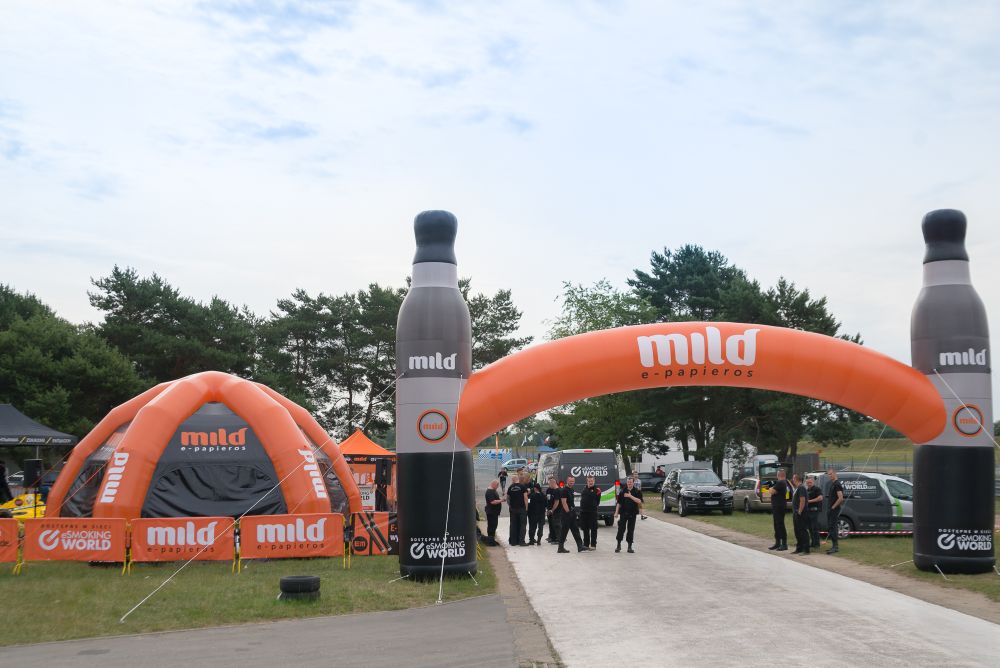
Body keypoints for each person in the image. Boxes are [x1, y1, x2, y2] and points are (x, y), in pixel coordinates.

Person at [615, 476, 643, 553]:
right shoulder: (622, 491)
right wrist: (616, 512)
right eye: (628, 482)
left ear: (633, 483)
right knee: (621, 529)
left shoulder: (637, 491)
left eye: (630, 482)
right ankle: (618, 545)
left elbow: (639, 501)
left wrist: (630, 496)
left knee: (630, 530)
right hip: (623, 513)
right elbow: (619, 503)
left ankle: (629, 547)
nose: (629, 483)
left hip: (632, 513)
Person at [557, 476, 585, 553]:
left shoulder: (571, 489)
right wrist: (568, 512)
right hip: (566, 513)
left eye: (573, 481)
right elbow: (564, 502)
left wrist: (573, 512)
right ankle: (560, 548)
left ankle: (580, 546)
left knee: (575, 530)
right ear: (567, 481)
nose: (572, 483)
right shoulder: (564, 490)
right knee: (564, 531)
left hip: (572, 512)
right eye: (570, 481)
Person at [768, 469, 790, 551]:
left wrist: (771, 489)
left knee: (780, 524)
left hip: (779, 506)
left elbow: (771, 491)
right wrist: (772, 489)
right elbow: (773, 491)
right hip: (777, 506)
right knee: (776, 524)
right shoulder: (783, 482)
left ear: (779, 475)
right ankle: (777, 543)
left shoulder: (781, 482)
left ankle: (784, 544)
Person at [826, 468, 846, 555]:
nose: (829, 476)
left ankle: (835, 547)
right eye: (828, 474)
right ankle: (833, 546)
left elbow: (841, 498)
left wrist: (833, 507)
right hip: (830, 509)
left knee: (833, 527)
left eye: (831, 474)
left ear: (834, 473)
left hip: (834, 509)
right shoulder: (833, 484)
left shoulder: (837, 484)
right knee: (831, 527)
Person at [579, 476, 601, 550]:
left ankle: (593, 545)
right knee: (585, 529)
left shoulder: (597, 490)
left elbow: (597, 501)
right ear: (587, 481)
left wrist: (592, 506)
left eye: (592, 481)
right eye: (589, 481)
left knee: (593, 529)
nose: (590, 482)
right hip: (583, 512)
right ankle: (586, 544)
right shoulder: (584, 489)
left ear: (594, 481)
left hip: (592, 512)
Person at [506, 473, 528, 546]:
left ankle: (513, 541)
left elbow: (508, 498)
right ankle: (521, 541)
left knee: (513, 525)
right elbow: (525, 498)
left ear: (513, 480)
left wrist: (510, 505)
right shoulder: (522, 487)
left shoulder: (510, 487)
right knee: (522, 525)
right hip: (521, 508)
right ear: (518, 479)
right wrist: (526, 507)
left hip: (513, 509)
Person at [791, 474, 810, 555]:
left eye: (793, 478)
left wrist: (799, 511)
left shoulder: (801, 488)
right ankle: (799, 548)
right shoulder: (797, 488)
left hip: (801, 513)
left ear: (796, 479)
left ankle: (806, 549)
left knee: (802, 531)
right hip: (795, 512)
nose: (792, 480)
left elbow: (802, 500)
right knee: (797, 531)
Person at [805, 476, 823, 549]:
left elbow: (820, 498)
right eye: (807, 483)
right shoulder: (807, 490)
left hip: (814, 510)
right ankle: (813, 543)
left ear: (813, 482)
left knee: (814, 528)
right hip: (808, 511)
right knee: (810, 528)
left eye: (810, 482)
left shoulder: (817, 489)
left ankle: (817, 544)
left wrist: (809, 501)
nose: (809, 484)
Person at [545, 477, 561, 543]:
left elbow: (557, 502)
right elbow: (547, 499)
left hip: (556, 510)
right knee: (551, 524)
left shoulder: (557, 491)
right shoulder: (549, 490)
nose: (549, 485)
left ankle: (559, 539)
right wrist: (547, 509)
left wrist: (552, 510)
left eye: (549, 484)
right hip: (549, 509)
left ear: (553, 483)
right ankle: (552, 537)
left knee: (556, 524)